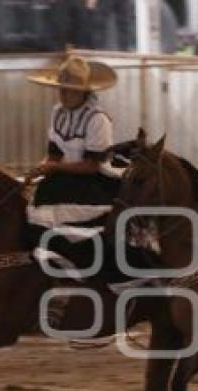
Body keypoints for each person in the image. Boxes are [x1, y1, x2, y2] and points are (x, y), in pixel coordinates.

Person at [24, 55, 119, 272]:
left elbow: (92, 165)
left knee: (52, 213)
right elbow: (54, 155)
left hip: (94, 184)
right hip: (64, 179)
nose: (63, 94)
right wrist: (39, 170)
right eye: (61, 89)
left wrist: (55, 168)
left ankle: (71, 265)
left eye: (69, 90)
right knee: (35, 205)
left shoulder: (97, 119)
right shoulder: (58, 113)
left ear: (83, 92)